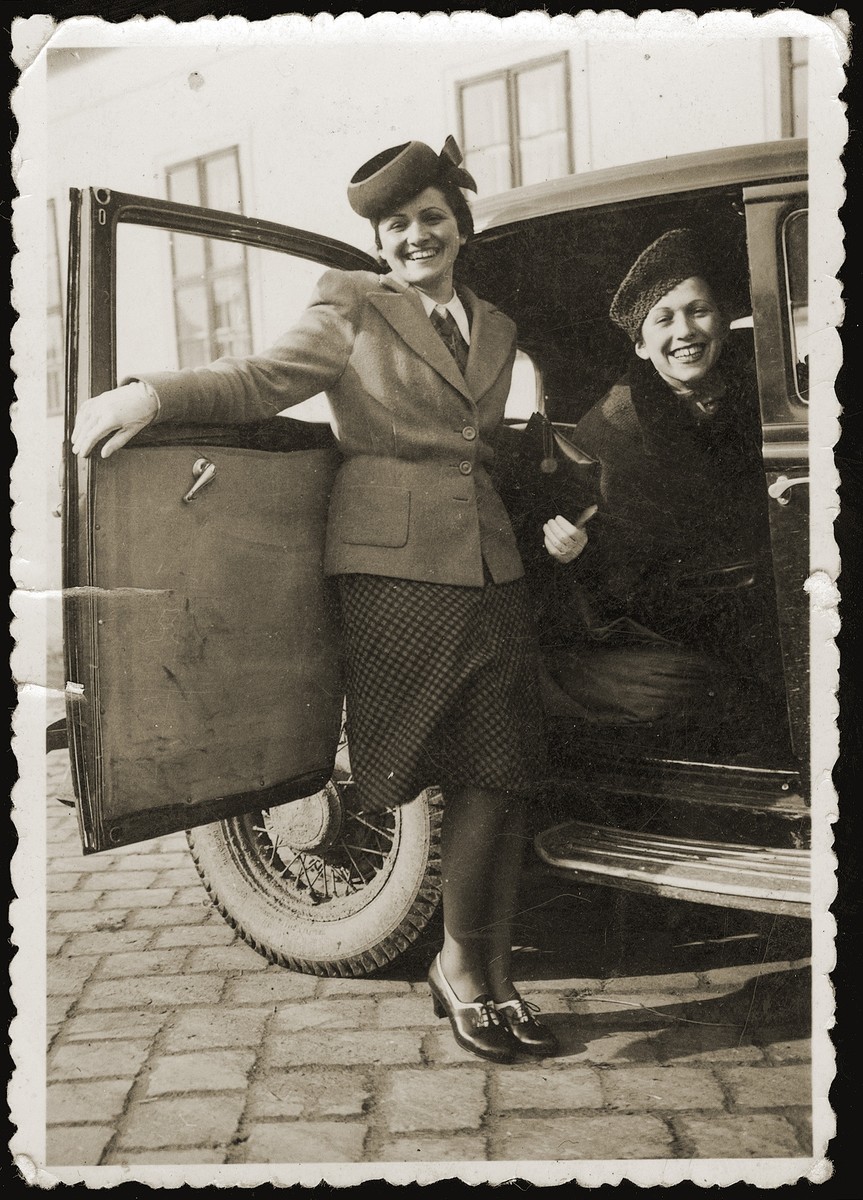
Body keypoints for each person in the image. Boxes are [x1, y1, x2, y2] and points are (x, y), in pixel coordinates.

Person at [71, 136, 596, 1064]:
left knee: (505, 768)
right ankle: (468, 969)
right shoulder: (351, 302)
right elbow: (264, 380)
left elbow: (498, 450)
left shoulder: (498, 325)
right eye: (397, 225)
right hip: (391, 572)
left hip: (491, 569)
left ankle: (473, 970)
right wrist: (151, 394)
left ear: (460, 227)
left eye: (431, 217)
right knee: (432, 766)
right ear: (379, 240)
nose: (415, 235)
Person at [542, 228, 776, 743]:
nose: (686, 331)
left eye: (699, 310)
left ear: (724, 320)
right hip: (666, 629)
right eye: (664, 319)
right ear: (642, 346)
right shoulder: (610, 430)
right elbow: (616, 579)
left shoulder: (765, 389)